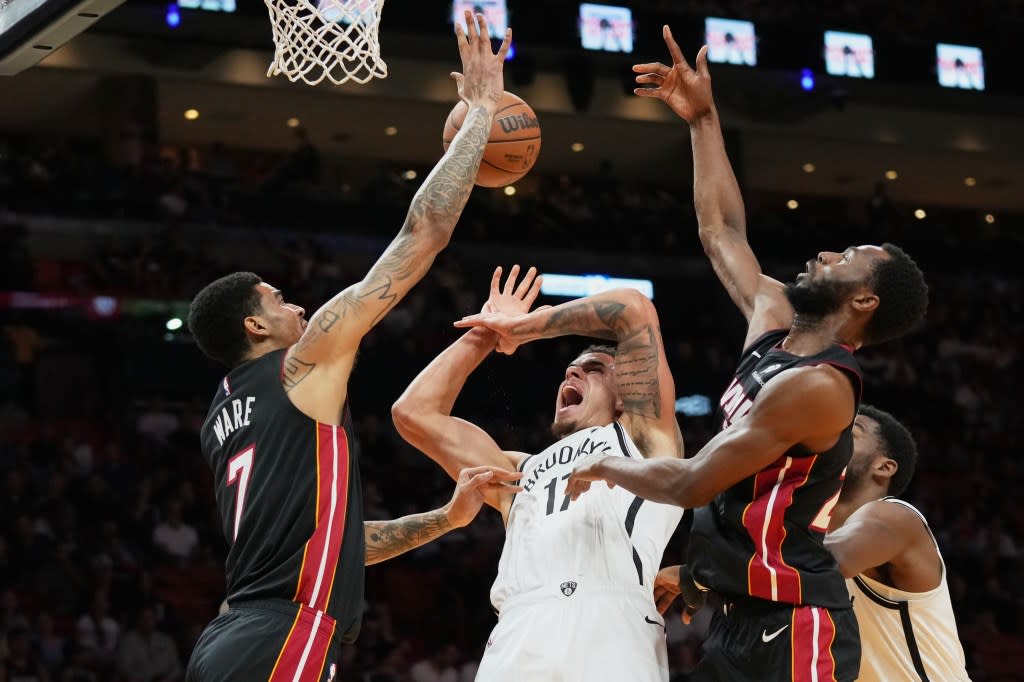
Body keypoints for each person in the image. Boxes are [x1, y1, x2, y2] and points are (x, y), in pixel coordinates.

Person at [466, 27, 928, 682]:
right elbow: (721, 233)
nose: (825, 255)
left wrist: (606, 467)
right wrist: (703, 117)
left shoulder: (821, 387)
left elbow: (690, 483)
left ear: (864, 304)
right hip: (738, 612)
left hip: (796, 619)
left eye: (846, 260)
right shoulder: (772, 321)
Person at [183, 13, 514, 682]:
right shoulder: (297, 367)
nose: (297, 306)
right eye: (278, 300)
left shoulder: (223, 416)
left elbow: (338, 544)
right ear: (253, 326)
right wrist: (480, 113)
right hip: (285, 630)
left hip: (231, 637)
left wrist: (445, 520)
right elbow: (421, 236)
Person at [392, 265, 685, 682]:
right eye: (570, 369)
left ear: (627, 397)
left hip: (610, 625)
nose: (571, 372)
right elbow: (413, 413)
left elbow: (633, 309)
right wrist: (488, 331)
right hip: (518, 629)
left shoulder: (642, 437)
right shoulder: (518, 469)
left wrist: (523, 327)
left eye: (594, 369)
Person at [824, 404, 970, 681]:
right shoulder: (808, 537)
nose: (831, 437)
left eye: (851, 432)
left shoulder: (896, 518)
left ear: (884, 466)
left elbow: (830, 560)